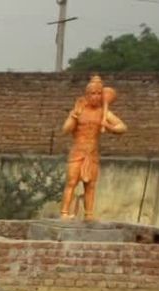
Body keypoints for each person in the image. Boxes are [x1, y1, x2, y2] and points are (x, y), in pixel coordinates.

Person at [60, 75, 127, 221]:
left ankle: (89, 214)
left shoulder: (104, 112)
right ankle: (64, 212)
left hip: (92, 152)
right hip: (78, 151)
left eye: (99, 93)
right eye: (93, 93)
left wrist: (108, 126)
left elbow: (122, 127)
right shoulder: (79, 110)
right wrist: (74, 116)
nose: (96, 96)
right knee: (71, 182)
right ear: (86, 95)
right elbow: (65, 130)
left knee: (90, 185)